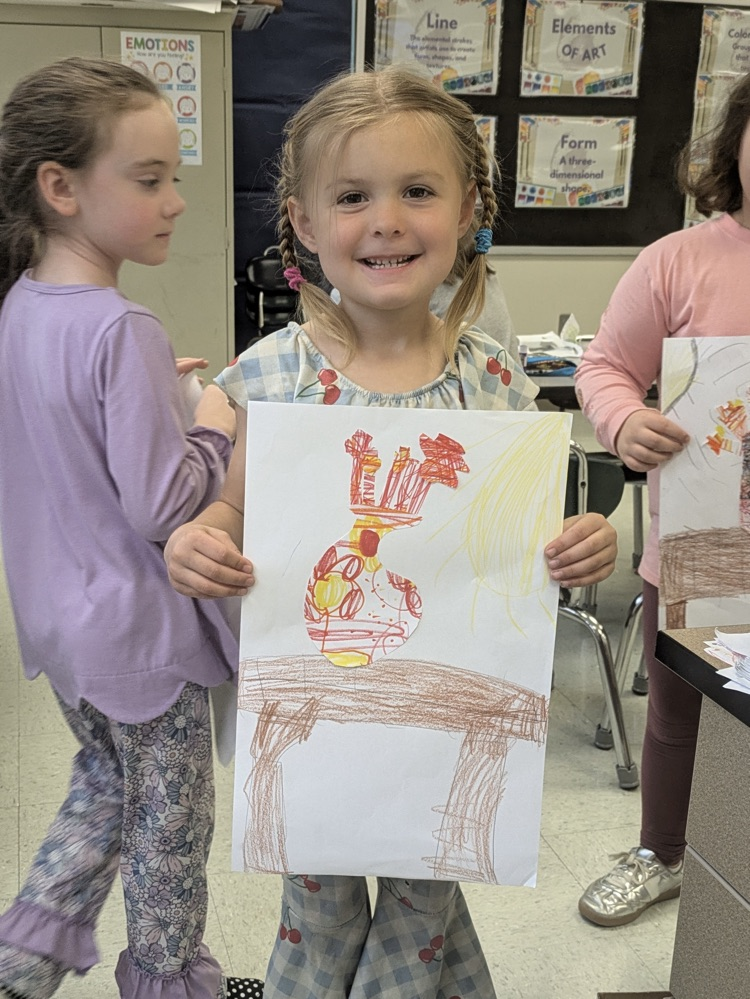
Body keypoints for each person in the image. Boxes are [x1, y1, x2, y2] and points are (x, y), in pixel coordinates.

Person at [164, 66, 618, 999]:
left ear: (467, 210)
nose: (387, 220)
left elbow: (526, 539)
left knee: (426, 902)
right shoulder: (274, 375)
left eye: (418, 191)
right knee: (318, 914)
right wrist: (196, 541)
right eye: (353, 197)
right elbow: (228, 511)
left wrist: (578, 544)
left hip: (446, 721)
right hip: (312, 719)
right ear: (302, 222)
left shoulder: (492, 379)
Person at [0, 58, 263, 999]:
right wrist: (212, 419)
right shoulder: (121, 328)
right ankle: (169, 982)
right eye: (149, 180)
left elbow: (63, 443)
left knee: (104, 790)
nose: (175, 202)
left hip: (62, 630)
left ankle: (20, 965)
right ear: (60, 187)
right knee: (169, 829)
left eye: (175, 178)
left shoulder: (21, 309)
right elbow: (163, 505)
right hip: (142, 643)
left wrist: (156, 398)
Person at [574, 72, 750, 927]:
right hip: (698, 544)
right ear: (737, 144)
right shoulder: (678, 260)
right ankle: (662, 851)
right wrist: (624, 421)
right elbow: (603, 366)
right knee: (678, 711)